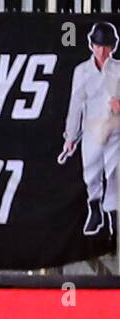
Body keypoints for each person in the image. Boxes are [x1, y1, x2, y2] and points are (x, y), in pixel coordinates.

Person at [59, 21, 120, 237]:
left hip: (115, 131)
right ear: (92, 46)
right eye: (99, 46)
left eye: (107, 46)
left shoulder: (118, 70)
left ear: (112, 48)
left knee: (114, 175)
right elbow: (75, 105)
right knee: (91, 172)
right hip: (92, 129)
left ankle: (114, 219)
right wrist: (70, 136)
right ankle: (95, 211)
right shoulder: (82, 72)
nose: (102, 51)